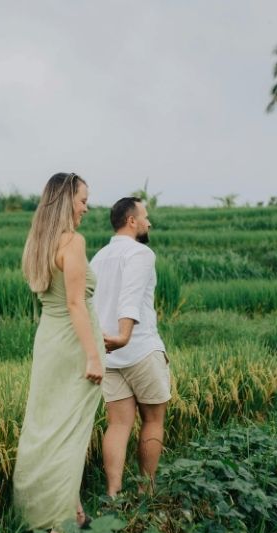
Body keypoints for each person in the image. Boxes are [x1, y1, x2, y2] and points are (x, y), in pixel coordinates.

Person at [12, 172, 104, 532]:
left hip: (49, 340)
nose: (87, 207)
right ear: (66, 200)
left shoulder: (37, 242)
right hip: (73, 344)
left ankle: (59, 509)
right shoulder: (73, 242)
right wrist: (93, 356)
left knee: (46, 424)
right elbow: (75, 303)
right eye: (83, 200)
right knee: (71, 431)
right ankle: (59, 521)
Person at [90, 197, 170, 498]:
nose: (149, 222)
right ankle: (146, 490)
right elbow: (131, 297)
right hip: (139, 348)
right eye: (145, 217)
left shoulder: (98, 257)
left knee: (118, 424)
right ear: (131, 221)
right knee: (153, 420)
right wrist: (124, 335)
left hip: (108, 354)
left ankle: (113, 493)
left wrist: (106, 341)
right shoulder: (141, 253)